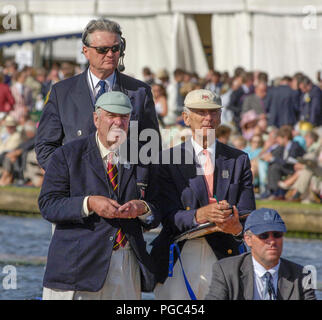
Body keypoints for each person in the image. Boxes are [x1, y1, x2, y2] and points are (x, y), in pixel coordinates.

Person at [39, 92, 160, 300]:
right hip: (77, 266)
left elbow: (159, 209)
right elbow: (48, 204)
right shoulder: (67, 155)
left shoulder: (144, 158)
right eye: (111, 115)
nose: (118, 122)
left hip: (126, 264)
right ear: (96, 119)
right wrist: (89, 203)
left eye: (124, 117)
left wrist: (143, 209)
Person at [150, 89, 256, 300]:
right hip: (179, 255)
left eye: (214, 112)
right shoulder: (167, 160)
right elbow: (165, 215)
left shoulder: (239, 159)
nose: (208, 118)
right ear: (186, 118)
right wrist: (201, 215)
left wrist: (235, 228)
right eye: (201, 112)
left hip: (224, 255)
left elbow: (247, 213)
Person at [35, 18, 160, 171]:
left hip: (124, 187)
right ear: (86, 51)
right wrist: (69, 177)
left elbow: (152, 147)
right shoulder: (61, 92)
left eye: (115, 48)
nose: (110, 54)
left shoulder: (140, 92)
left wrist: (136, 183)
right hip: (77, 188)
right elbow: (45, 147)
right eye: (102, 49)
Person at [205, 208, 317, 300]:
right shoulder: (226, 271)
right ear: (248, 239)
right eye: (264, 236)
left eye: (277, 234)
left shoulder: (303, 275)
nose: (272, 241)